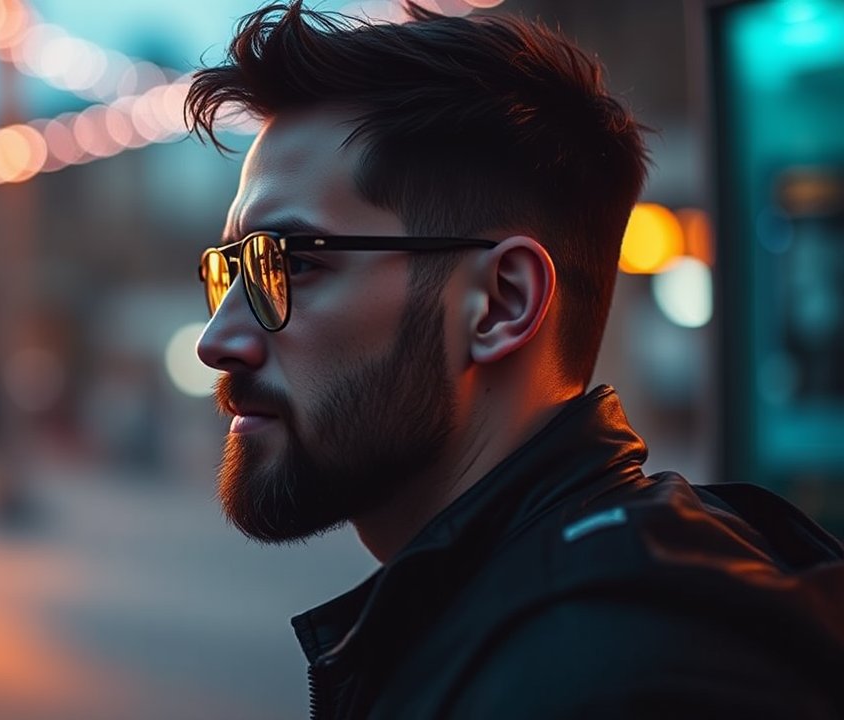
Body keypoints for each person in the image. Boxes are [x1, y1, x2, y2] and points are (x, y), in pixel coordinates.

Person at [187, 3, 844, 718]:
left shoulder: (621, 676)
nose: (217, 340)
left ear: (502, 303)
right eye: (233, 270)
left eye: (288, 263)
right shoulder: (529, 624)